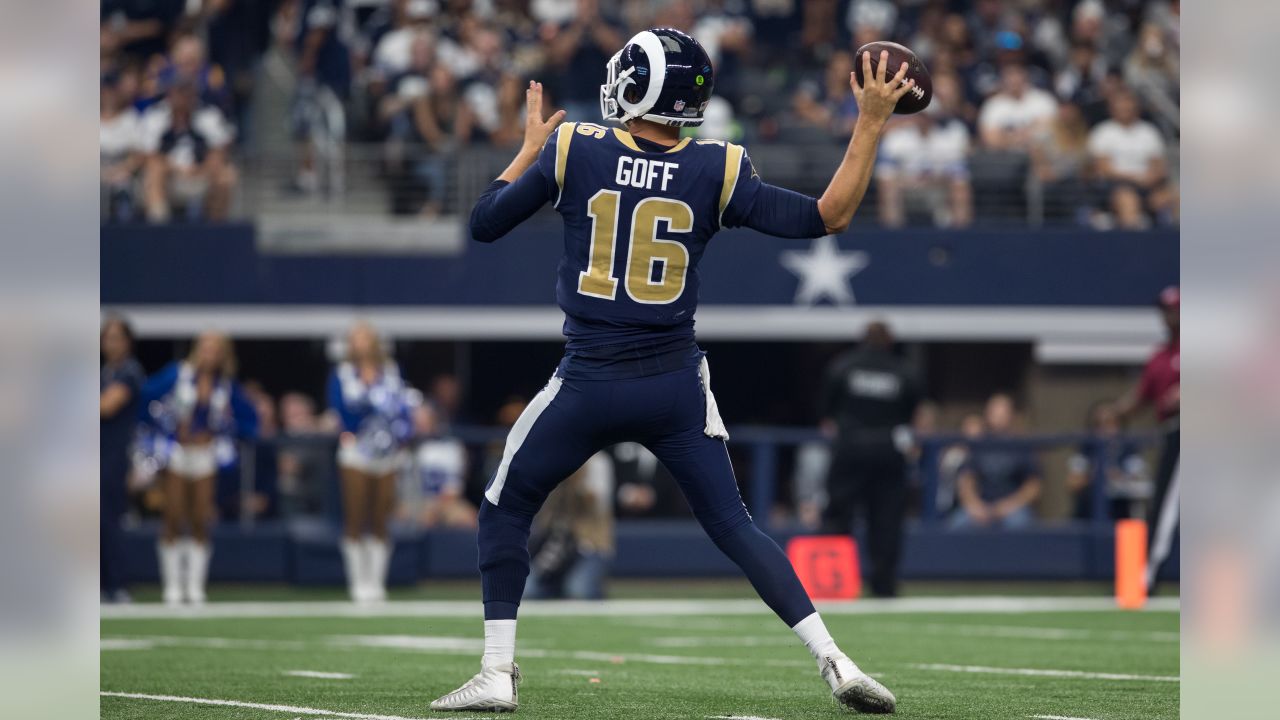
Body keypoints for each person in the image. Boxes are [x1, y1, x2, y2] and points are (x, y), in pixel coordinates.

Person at [432, 29, 912, 713]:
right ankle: (834, 658)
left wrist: (530, 148)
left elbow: (484, 223)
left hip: (589, 378)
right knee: (735, 526)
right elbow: (825, 215)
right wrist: (868, 123)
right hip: (673, 383)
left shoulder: (576, 148)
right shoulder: (717, 166)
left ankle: (497, 672)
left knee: (504, 507)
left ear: (638, 87)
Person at [140, 331, 258, 606]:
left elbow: (249, 418)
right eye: (205, 348)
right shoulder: (176, 375)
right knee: (173, 514)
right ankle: (172, 585)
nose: (209, 354)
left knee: (200, 517)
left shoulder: (225, 386)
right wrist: (160, 428)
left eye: (215, 349)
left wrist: (228, 432)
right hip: (177, 452)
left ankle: (194, 585)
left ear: (223, 355)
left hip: (205, 454)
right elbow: (145, 398)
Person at [818, 321, 921, 598]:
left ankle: (831, 582)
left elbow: (828, 409)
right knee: (887, 521)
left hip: (850, 449)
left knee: (838, 516)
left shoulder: (843, 366)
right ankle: (884, 585)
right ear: (889, 341)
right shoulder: (904, 371)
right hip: (889, 452)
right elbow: (910, 413)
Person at [328, 322, 418, 603]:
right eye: (356, 339)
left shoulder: (391, 371)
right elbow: (340, 408)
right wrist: (366, 419)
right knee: (356, 515)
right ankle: (358, 582)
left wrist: (399, 431)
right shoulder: (341, 374)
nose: (362, 344)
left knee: (380, 516)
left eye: (366, 338)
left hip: (387, 450)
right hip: (356, 449)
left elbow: (402, 405)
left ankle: (376, 582)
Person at [1116, 286, 1179, 594]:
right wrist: (1113, 412)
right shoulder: (1159, 357)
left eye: (1175, 310)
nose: (1169, 316)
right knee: (1163, 506)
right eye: (1166, 310)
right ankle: (1144, 576)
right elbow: (1142, 397)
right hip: (1172, 434)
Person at [523, 452, 615, 600]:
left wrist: (575, 477)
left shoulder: (598, 461)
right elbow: (541, 508)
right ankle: (554, 591)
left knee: (578, 590)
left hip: (590, 545)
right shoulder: (551, 459)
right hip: (554, 545)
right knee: (527, 588)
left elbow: (597, 505)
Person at [100, 316, 146, 603]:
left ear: (128, 342)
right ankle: (102, 584)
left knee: (109, 520)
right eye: (107, 337)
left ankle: (117, 585)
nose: (110, 343)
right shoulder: (105, 372)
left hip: (115, 457)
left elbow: (106, 407)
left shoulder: (129, 371)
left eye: (117, 337)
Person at [949, 393, 1042, 530]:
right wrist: (974, 505)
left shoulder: (1021, 445)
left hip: (1012, 508)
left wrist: (1009, 506)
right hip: (982, 505)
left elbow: (1034, 486)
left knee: (1019, 522)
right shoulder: (979, 443)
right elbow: (966, 479)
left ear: (1011, 414)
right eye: (993, 410)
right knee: (956, 524)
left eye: (1001, 410)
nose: (996, 415)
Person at [1087, 89, 1176, 229]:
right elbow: (1104, 169)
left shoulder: (1149, 132)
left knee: (1177, 197)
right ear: (1112, 108)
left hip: (1149, 186)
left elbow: (1159, 166)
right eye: (1121, 106)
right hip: (1117, 186)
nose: (1125, 109)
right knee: (1128, 200)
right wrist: (1135, 178)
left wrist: (1149, 179)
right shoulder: (1103, 132)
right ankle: (1134, 245)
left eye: (1128, 105)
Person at [1067, 400, 1151, 521]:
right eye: (1098, 424)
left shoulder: (1128, 449)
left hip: (1121, 515)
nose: (1104, 429)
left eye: (1109, 423)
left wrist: (1121, 477)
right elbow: (1072, 483)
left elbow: (1141, 480)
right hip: (1088, 516)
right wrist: (1096, 475)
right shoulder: (1086, 448)